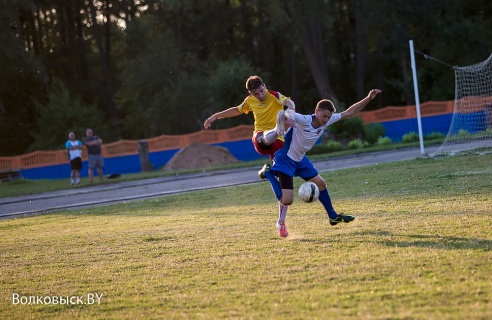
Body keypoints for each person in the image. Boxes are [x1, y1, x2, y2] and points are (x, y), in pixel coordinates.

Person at [258, 89, 382, 237]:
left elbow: (349, 112)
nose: (325, 120)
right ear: (316, 111)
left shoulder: (327, 120)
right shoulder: (304, 120)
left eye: (328, 117)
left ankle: (333, 216)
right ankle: (268, 173)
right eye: (324, 116)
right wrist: (287, 117)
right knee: (287, 200)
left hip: (301, 159)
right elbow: (289, 113)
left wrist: (368, 98)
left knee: (321, 184)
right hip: (285, 159)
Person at [203, 75, 296, 161]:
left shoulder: (275, 95)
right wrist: (215, 116)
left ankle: (267, 172)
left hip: (279, 139)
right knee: (260, 139)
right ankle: (276, 130)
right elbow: (237, 110)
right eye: (256, 94)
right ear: (250, 93)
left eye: (261, 91)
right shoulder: (249, 100)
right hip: (260, 135)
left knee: (282, 170)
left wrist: (290, 112)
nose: (260, 95)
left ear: (264, 86)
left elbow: (290, 103)